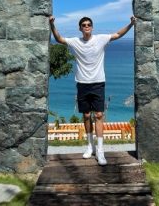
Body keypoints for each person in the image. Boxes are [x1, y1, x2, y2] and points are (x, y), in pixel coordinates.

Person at [48, 14, 135, 165]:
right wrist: (52, 25)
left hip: (98, 83)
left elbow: (117, 34)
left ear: (92, 27)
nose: (86, 27)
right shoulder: (75, 42)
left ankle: (100, 151)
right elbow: (59, 39)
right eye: (84, 25)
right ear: (80, 28)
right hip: (82, 83)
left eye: (89, 24)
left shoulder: (101, 39)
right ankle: (90, 146)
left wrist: (131, 24)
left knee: (99, 115)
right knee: (87, 115)